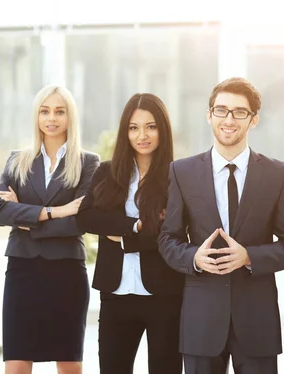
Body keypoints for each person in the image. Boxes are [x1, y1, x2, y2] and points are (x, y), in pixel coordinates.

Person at [158, 77, 284, 374]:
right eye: (221, 110)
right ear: (209, 115)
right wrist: (193, 258)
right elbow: (168, 239)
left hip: (256, 320)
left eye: (240, 112)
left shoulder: (278, 174)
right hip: (201, 320)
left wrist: (250, 256)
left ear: (253, 120)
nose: (229, 119)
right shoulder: (181, 172)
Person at [0, 85, 99, 374]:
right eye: (45, 110)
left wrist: (25, 220)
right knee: (16, 361)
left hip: (66, 271)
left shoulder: (88, 163)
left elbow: (82, 220)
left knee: (68, 362)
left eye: (59, 111)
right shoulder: (17, 160)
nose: (52, 118)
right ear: (36, 116)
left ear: (70, 117)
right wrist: (55, 212)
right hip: (22, 270)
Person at [76, 93, 184, 374]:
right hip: (116, 294)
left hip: (164, 295)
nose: (142, 135)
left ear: (163, 129)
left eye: (151, 126)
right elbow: (86, 217)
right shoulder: (106, 173)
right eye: (134, 127)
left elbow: (168, 235)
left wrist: (121, 237)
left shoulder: (179, 177)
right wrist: (132, 227)